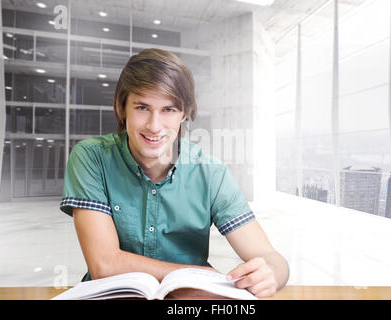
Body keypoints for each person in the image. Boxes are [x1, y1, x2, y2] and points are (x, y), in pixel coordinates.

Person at [60, 48, 289, 298]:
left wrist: (271, 274)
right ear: (121, 106)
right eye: (142, 107)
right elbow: (104, 264)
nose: (154, 125)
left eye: (168, 110)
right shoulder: (91, 157)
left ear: (185, 113)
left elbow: (271, 258)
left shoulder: (211, 174)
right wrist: (202, 275)